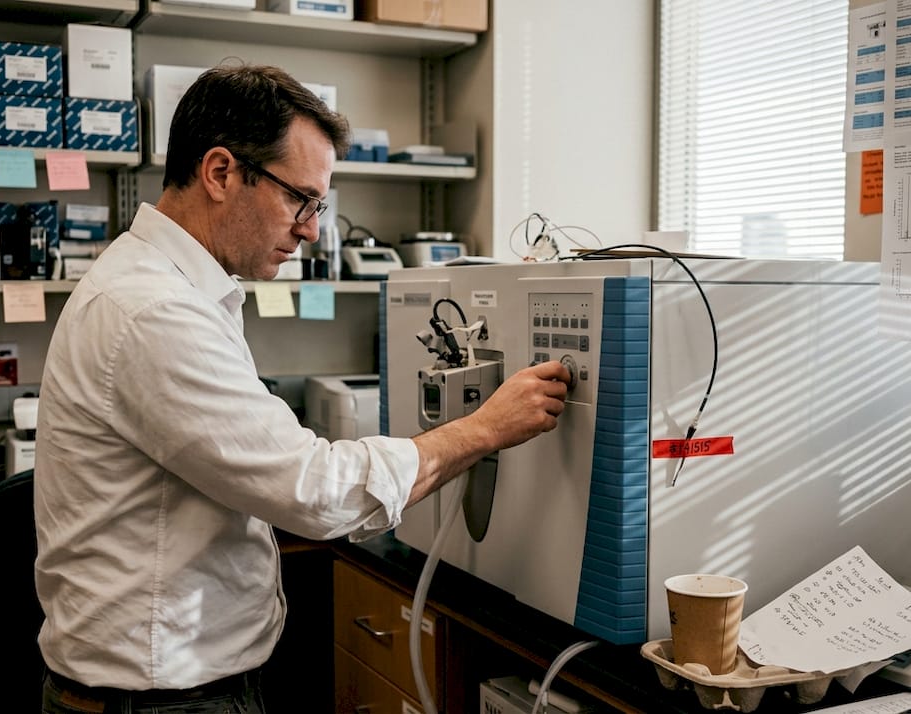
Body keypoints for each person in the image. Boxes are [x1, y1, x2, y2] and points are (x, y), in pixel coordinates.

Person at [33, 63, 570, 713]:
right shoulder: (153, 311)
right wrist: (486, 428)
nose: (312, 229)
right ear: (222, 172)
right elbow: (315, 492)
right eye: (301, 199)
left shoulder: (174, 292)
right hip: (159, 700)